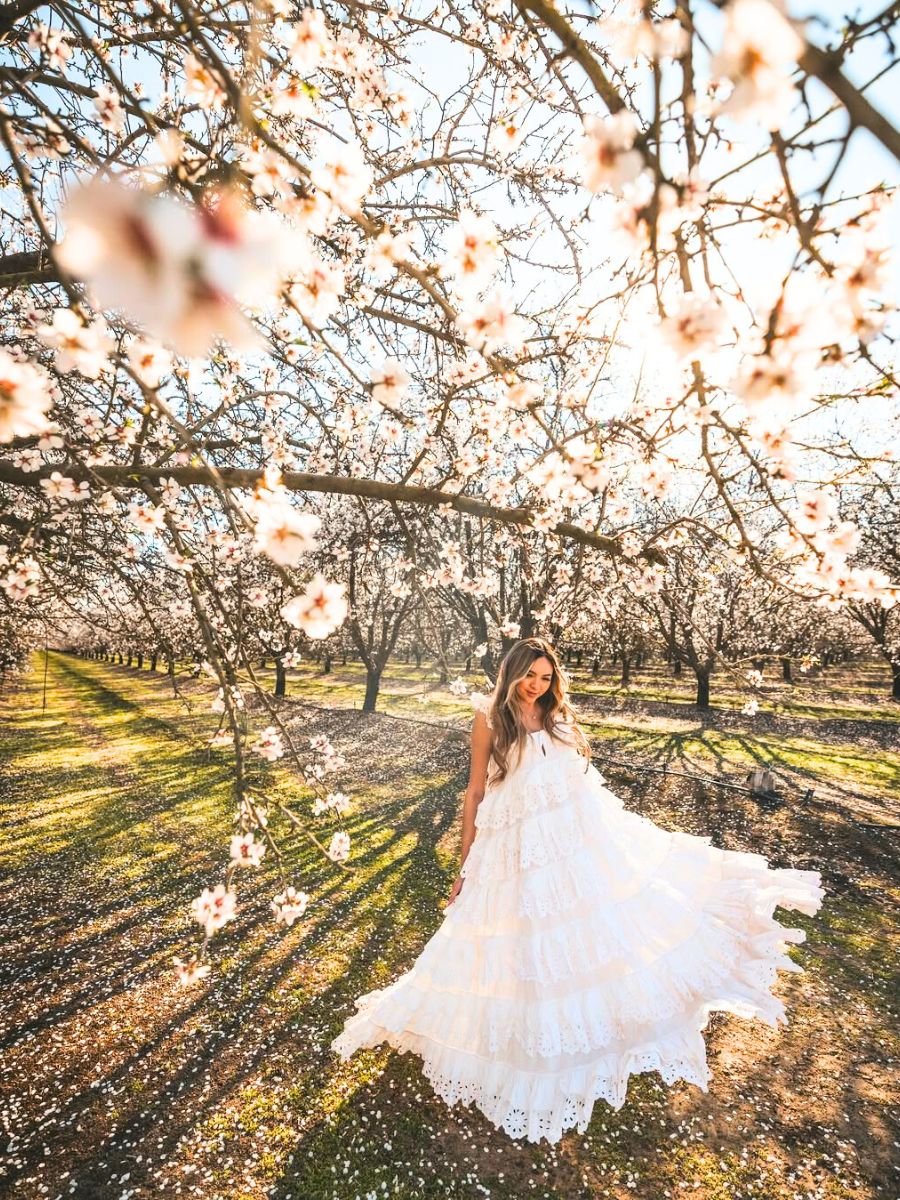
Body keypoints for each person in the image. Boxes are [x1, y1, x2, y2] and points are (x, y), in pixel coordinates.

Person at [331, 637, 825, 1144]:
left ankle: (596, 1022)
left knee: (595, 928)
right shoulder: (488, 718)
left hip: (571, 841)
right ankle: (522, 1034)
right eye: (530, 676)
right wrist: (465, 861)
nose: (537, 685)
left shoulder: (557, 715)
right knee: (518, 935)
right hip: (516, 843)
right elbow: (476, 788)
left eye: (546, 678)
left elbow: (579, 781)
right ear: (512, 671)